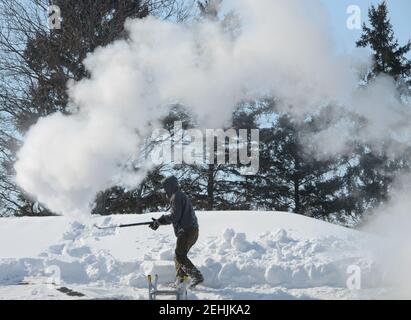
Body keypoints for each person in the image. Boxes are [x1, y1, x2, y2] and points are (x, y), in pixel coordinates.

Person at [149, 176, 204, 288]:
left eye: (165, 187)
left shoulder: (177, 196)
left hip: (187, 231)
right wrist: (159, 222)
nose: (164, 190)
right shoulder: (179, 196)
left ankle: (196, 276)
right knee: (178, 255)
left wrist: (161, 220)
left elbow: (175, 216)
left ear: (169, 186)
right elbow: (176, 217)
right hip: (192, 230)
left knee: (179, 256)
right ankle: (181, 280)